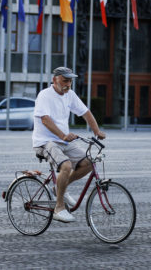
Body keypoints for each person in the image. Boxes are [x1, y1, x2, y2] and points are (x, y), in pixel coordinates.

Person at [32, 67, 106, 223]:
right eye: (65, 80)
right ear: (55, 80)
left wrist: (96, 130)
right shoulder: (44, 95)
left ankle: (59, 188)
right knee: (65, 165)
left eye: (70, 81)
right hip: (45, 141)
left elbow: (85, 112)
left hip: (64, 141)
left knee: (88, 163)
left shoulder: (70, 95)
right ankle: (59, 208)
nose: (68, 84)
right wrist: (63, 136)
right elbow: (45, 120)